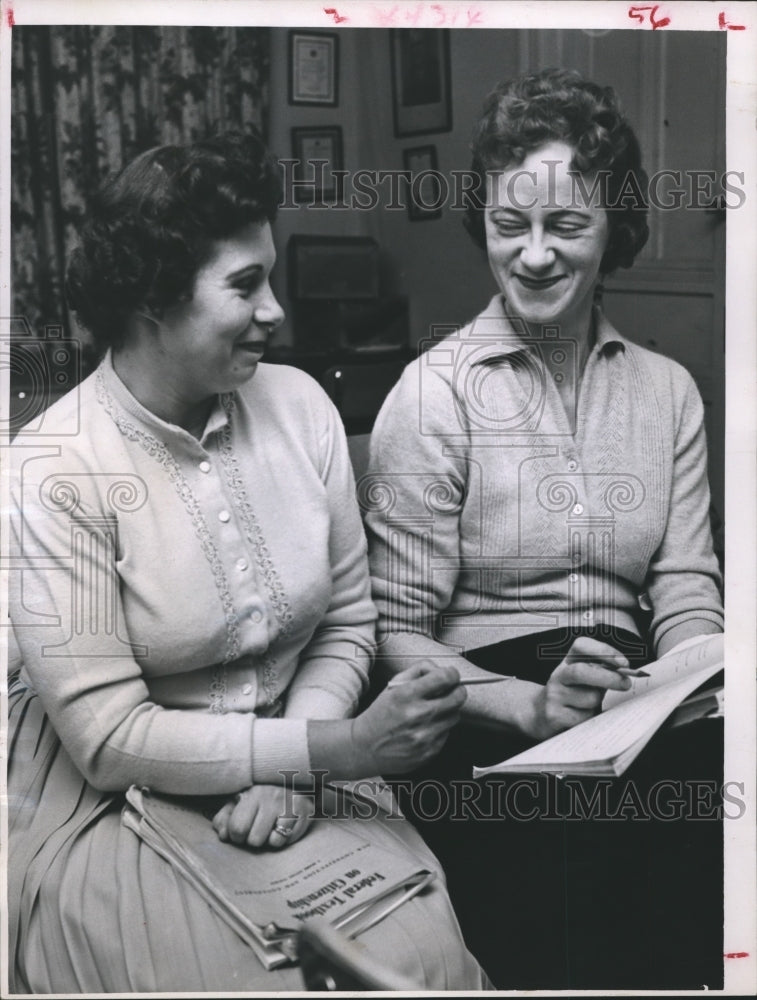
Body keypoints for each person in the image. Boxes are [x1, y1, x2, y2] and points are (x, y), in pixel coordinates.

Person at [6, 130, 488, 993]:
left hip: (308, 748)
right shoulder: (52, 468)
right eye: (244, 284)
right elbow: (108, 739)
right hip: (115, 797)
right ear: (153, 297)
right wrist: (334, 749)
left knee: (421, 955)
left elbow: (346, 620)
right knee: (238, 976)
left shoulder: (301, 407)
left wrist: (303, 769)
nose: (276, 312)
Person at [364, 69, 724, 989]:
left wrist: (695, 676)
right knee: (571, 880)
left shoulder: (666, 391)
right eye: (507, 225)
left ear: (614, 227)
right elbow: (392, 634)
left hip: (629, 693)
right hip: (479, 708)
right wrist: (522, 706)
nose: (532, 256)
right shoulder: (432, 393)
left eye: (564, 224)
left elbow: (684, 582)